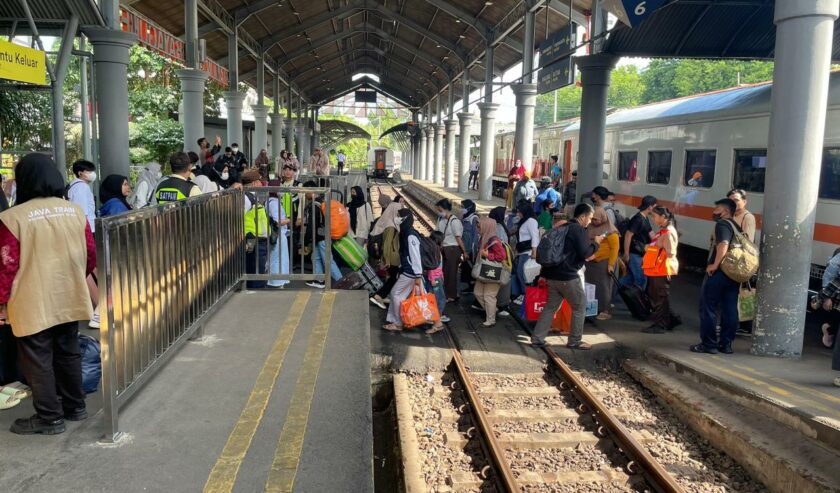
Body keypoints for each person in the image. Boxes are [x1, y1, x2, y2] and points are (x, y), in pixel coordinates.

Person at [0, 153, 95, 435]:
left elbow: (6, 264)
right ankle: (75, 406)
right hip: (69, 293)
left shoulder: (11, 218)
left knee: (37, 357)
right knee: (68, 351)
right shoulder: (74, 211)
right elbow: (90, 254)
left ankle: (50, 417)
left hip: (32, 300)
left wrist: (1, 302)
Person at [531, 204, 604, 350]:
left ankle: (537, 338)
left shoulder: (562, 227)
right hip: (568, 277)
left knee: (550, 307)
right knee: (579, 306)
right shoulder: (578, 230)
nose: (589, 221)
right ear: (582, 217)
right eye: (589, 218)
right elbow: (585, 253)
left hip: (552, 275)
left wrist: (543, 274)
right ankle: (575, 341)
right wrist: (596, 244)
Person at [382, 208, 445, 334]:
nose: (397, 219)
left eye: (400, 217)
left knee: (395, 294)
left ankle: (398, 323)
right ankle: (438, 323)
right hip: (412, 271)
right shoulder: (407, 232)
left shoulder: (410, 235)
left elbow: (415, 255)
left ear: (406, 219)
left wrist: (417, 275)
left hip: (411, 272)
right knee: (425, 297)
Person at [692, 198, 741, 354]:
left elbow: (723, 244)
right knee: (730, 308)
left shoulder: (723, 224)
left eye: (717, 208)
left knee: (708, 307)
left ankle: (709, 344)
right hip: (733, 274)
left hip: (720, 272)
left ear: (725, 211)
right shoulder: (737, 226)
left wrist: (715, 264)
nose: (714, 211)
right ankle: (726, 345)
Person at [644, 206, 682, 333]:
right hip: (658, 268)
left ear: (663, 217)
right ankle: (670, 319)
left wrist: (652, 248)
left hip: (662, 268)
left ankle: (660, 325)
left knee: (659, 297)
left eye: (655, 216)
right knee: (658, 296)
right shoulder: (664, 230)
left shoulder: (668, 232)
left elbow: (671, 252)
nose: (653, 219)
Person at [301, 181, 342, 288]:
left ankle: (341, 281)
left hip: (322, 238)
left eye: (306, 192)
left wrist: (305, 242)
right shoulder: (322, 201)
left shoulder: (314, 206)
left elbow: (311, 226)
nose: (305, 195)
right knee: (316, 258)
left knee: (328, 261)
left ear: (311, 191)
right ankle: (319, 280)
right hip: (321, 237)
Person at [584, 206, 620, 321]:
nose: (594, 221)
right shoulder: (590, 227)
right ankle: (593, 309)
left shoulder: (610, 230)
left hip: (604, 262)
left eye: (596, 219)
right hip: (591, 261)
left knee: (604, 287)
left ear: (603, 218)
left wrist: (611, 265)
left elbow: (614, 249)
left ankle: (606, 310)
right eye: (593, 219)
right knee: (591, 287)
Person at [473, 217, 509, 327]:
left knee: (489, 296)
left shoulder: (494, 240)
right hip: (484, 272)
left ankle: (491, 319)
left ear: (486, 227)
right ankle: (492, 310)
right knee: (478, 293)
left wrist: (487, 255)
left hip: (493, 272)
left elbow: (502, 256)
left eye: (479, 227)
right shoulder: (484, 238)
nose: (478, 229)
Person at [370, 200, 403, 309]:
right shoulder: (391, 226)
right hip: (392, 258)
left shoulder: (388, 221)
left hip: (391, 257)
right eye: (399, 211)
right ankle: (379, 296)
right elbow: (387, 245)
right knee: (395, 278)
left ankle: (383, 296)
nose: (400, 214)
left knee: (393, 278)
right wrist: (387, 260)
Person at [620, 195, 657, 291]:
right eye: (655, 206)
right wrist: (626, 253)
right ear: (650, 207)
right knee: (641, 280)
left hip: (640, 253)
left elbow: (651, 234)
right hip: (635, 254)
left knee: (630, 278)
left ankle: (612, 292)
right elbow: (628, 235)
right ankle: (638, 303)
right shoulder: (638, 219)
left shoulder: (644, 218)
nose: (655, 209)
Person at [435, 199, 468, 301]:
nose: (438, 212)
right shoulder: (441, 220)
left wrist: (464, 251)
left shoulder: (455, 221)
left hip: (453, 250)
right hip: (444, 249)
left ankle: (451, 295)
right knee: (445, 273)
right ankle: (446, 293)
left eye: (440, 210)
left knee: (451, 273)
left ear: (446, 209)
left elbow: (458, 238)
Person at [241, 170, 269, 289]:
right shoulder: (247, 199)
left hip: (258, 240)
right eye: (259, 181)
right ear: (253, 183)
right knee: (256, 271)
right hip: (254, 240)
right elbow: (239, 218)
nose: (261, 184)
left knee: (258, 270)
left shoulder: (252, 197)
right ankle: (256, 293)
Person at [512, 201, 540, 305]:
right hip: (522, 251)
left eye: (519, 212)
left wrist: (534, 251)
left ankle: (526, 294)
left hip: (528, 251)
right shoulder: (524, 220)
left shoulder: (531, 221)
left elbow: (535, 236)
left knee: (522, 272)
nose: (517, 214)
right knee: (520, 272)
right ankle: (522, 293)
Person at [266, 183, 291, 289]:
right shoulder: (273, 203)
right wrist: (289, 220)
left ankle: (278, 281)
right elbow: (278, 221)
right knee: (278, 258)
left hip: (278, 233)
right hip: (278, 233)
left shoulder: (272, 201)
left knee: (278, 257)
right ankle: (276, 282)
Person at [489, 206, 512, 317]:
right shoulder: (499, 228)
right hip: (501, 259)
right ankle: (501, 306)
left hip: (497, 258)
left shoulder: (497, 226)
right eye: (505, 213)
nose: (507, 214)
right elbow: (502, 245)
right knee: (503, 283)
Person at [66, 160, 97, 232]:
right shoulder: (81, 187)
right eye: (89, 172)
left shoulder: (74, 185)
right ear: (80, 173)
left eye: (92, 171)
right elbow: (82, 213)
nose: (93, 174)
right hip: (87, 229)